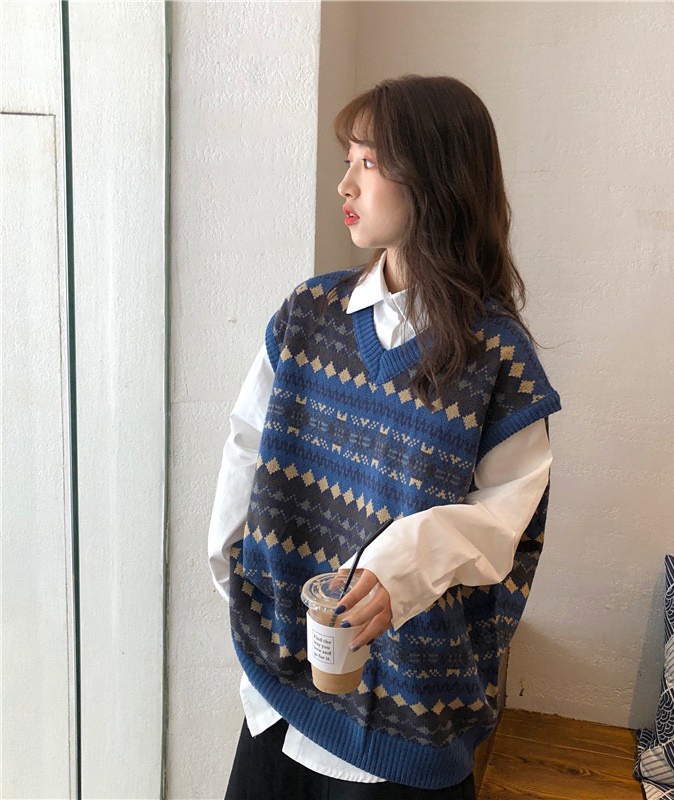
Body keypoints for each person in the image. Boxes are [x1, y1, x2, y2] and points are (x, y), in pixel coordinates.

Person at [208, 74, 561, 800]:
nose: (345, 183)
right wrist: (237, 577)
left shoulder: (497, 360)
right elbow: (247, 447)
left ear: (435, 178)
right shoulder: (309, 315)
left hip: (409, 724)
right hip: (281, 689)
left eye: (368, 162)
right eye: (350, 159)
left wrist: (397, 566)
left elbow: (505, 523)